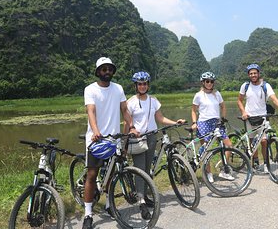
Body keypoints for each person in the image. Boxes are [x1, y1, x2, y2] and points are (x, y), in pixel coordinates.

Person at [82, 57, 137, 229]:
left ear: (113, 71)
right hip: (97, 140)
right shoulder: (90, 89)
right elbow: (91, 111)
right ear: (98, 72)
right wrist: (96, 130)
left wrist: (132, 126)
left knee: (112, 176)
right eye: (104, 69)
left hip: (114, 140)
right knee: (92, 175)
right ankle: (88, 213)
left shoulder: (118, 88)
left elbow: (124, 110)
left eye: (110, 69)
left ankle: (109, 206)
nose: (107, 72)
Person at [123, 71, 185, 217]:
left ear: (148, 85)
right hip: (137, 139)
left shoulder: (153, 100)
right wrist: (125, 142)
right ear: (136, 86)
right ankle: (142, 202)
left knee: (147, 168)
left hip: (151, 138)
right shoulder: (130, 102)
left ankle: (144, 196)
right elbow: (127, 124)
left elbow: (160, 118)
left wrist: (175, 122)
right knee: (140, 170)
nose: (142, 86)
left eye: (145, 84)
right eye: (140, 84)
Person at [237, 63, 278, 173]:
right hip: (249, 118)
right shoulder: (245, 86)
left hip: (263, 118)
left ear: (259, 73)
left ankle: (266, 163)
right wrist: (243, 112)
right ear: (248, 75)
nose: (253, 75)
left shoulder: (265, 85)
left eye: (255, 73)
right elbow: (239, 100)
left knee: (264, 141)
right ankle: (255, 161)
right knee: (251, 142)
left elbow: (273, 98)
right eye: (251, 73)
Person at [191, 71, 234, 183]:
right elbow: (193, 111)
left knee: (229, 145)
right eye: (207, 81)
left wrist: (223, 119)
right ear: (203, 82)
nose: (209, 83)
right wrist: (194, 123)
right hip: (203, 123)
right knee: (206, 149)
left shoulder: (217, 94)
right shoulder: (198, 95)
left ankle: (223, 170)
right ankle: (208, 173)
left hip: (216, 123)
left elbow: (223, 107)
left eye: (211, 81)